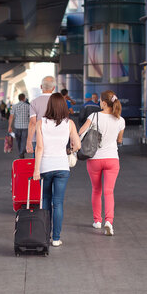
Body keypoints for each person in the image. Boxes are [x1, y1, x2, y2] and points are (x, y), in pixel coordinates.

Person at [32, 93, 81, 247]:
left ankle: (45, 236)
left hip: (45, 167)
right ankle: (56, 238)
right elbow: (77, 145)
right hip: (62, 167)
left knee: (45, 201)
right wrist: (68, 150)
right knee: (58, 203)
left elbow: (39, 148)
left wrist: (36, 170)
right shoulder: (70, 124)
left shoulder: (41, 123)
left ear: (50, 106)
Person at [78, 90, 125, 235]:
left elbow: (80, 132)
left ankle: (97, 221)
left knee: (96, 190)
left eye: (100, 101)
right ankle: (109, 222)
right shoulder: (120, 120)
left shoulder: (94, 116)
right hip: (112, 159)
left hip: (95, 159)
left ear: (104, 103)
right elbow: (119, 140)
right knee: (109, 192)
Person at [26, 76, 56, 155]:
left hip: (38, 138)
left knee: (38, 163)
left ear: (41, 87)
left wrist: (29, 141)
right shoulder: (59, 102)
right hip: (56, 138)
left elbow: (33, 123)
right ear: (53, 88)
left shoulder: (34, 102)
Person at [8, 93, 31, 159]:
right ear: (24, 98)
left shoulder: (14, 106)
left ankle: (21, 152)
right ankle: (21, 152)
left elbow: (11, 117)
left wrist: (9, 126)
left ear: (19, 98)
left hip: (17, 126)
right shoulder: (28, 106)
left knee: (18, 140)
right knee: (24, 140)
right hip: (25, 126)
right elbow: (30, 117)